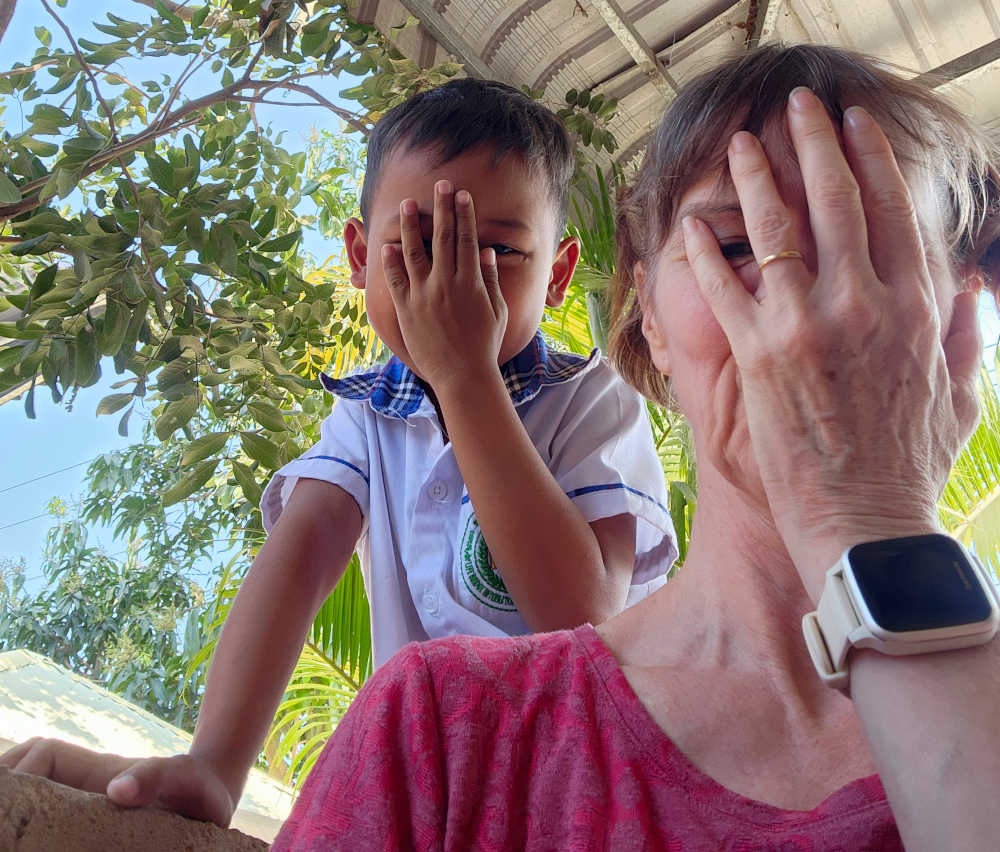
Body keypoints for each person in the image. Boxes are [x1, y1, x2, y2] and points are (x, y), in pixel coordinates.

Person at [255, 45, 1000, 851]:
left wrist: (870, 519)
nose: (807, 312)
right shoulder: (442, 728)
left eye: (872, 249)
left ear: (957, 317)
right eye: (737, 245)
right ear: (650, 313)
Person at [0, 80, 676, 825]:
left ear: (556, 275)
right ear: (358, 256)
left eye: (497, 251)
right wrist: (215, 763)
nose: (451, 282)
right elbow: (302, 555)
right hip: (425, 796)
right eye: (418, 245)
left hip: (582, 792)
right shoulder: (364, 414)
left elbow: (583, 613)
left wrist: (465, 376)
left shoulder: (591, 400)